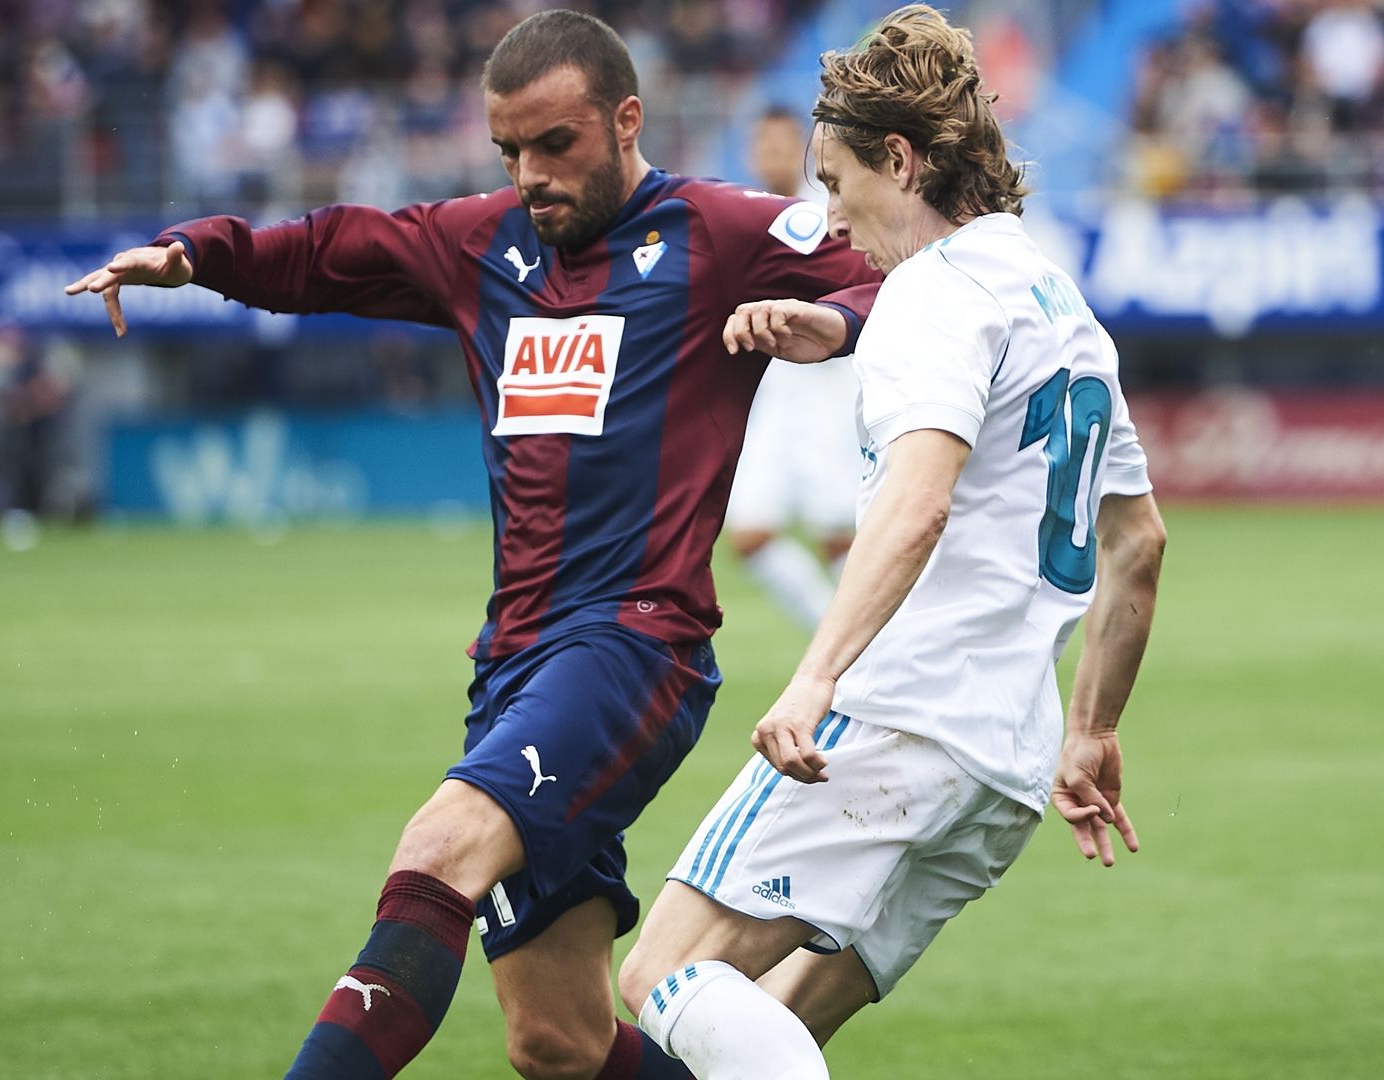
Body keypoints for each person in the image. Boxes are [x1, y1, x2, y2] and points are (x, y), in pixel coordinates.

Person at [65, 11, 877, 1079]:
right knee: (560, 1042)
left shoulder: (720, 234)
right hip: (515, 665)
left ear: (626, 120)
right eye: (509, 152)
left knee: (437, 851)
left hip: (636, 648)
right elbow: (331, 250)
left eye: (555, 146)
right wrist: (196, 255)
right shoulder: (484, 245)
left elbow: (883, 272)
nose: (530, 175)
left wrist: (838, 322)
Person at [616, 8, 1169, 1078]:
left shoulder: (931, 290)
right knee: (765, 1024)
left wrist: (814, 677)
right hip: (1005, 764)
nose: (831, 217)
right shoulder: (1064, 310)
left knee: (661, 979)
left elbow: (916, 505)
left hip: (899, 719)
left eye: (837, 181)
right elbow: (1138, 543)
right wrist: (1093, 731)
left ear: (902, 160)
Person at [725, 106, 860, 631]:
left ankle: (865, 649)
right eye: (763, 146)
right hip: (777, 394)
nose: (772, 156)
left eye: (783, 146)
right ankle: (841, 639)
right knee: (750, 534)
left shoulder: (826, 215)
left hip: (830, 390)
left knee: (837, 536)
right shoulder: (746, 215)